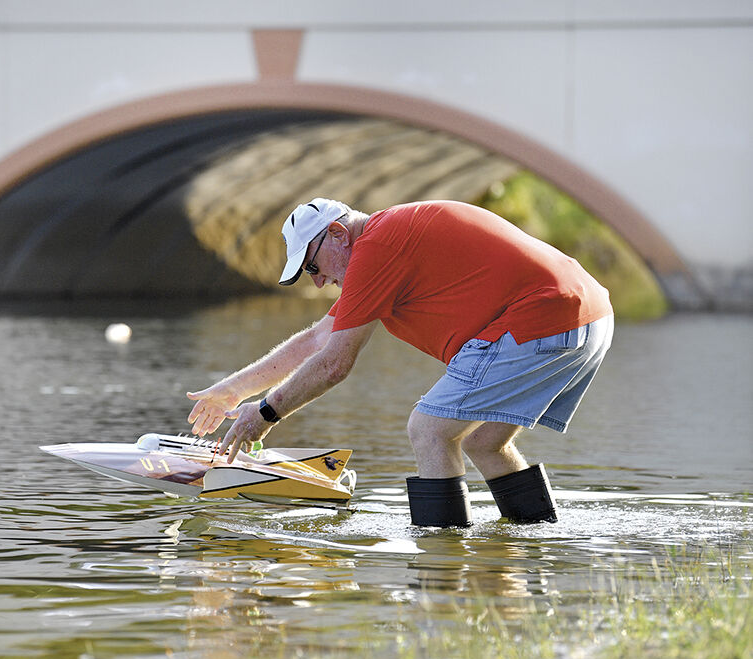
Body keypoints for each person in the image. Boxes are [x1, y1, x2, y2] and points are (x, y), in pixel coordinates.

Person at [187, 198, 614, 527]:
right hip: (589, 315)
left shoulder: (377, 247)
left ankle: (442, 571)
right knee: (483, 442)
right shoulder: (388, 241)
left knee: (429, 431)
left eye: (312, 266)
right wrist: (234, 391)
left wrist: (264, 414)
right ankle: (537, 538)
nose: (317, 282)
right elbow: (318, 338)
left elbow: (335, 363)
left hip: (543, 317)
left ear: (337, 233)